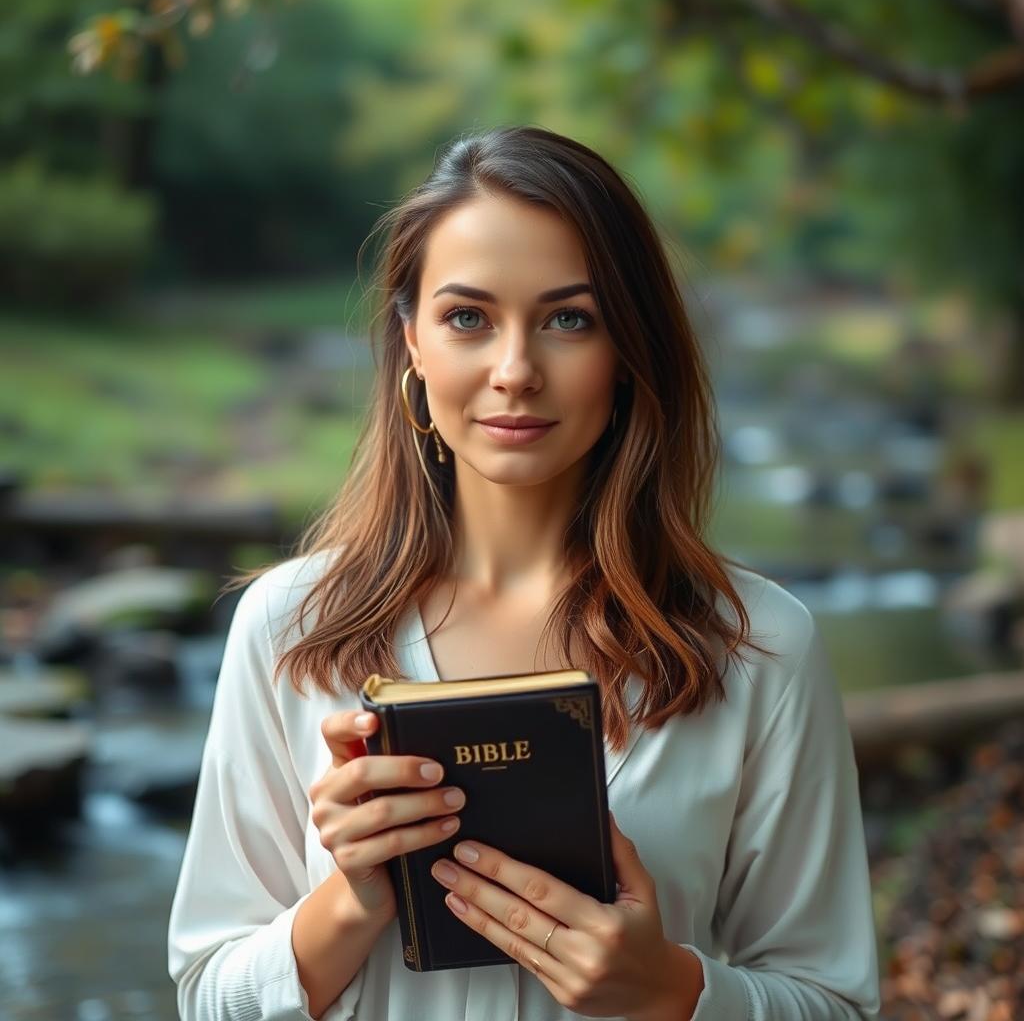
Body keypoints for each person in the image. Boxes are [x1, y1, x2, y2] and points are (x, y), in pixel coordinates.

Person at [167, 125, 881, 1020]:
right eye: (468, 317)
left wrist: (672, 991)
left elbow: (837, 1002)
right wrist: (349, 901)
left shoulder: (760, 648)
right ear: (412, 343)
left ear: (628, 352)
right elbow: (205, 995)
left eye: (568, 319)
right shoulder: (287, 627)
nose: (515, 371)